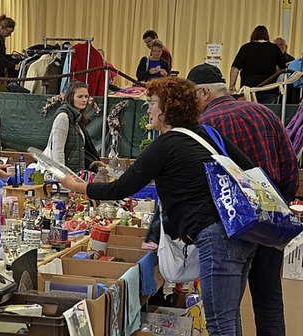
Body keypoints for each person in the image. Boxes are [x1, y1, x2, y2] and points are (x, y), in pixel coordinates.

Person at [59, 76, 256, 336]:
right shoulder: (207, 133)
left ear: (167, 109)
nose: (148, 109)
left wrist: (79, 187)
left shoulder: (166, 144)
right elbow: (250, 170)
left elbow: (121, 188)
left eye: (152, 103)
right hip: (241, 231)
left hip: (216, 237)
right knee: (229, 317)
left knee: (220, 324)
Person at [188, 63, 299, 336]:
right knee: (269, 300)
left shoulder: (204, 126)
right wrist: (280, 208)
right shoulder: (264, 113)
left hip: (228, 226)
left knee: (227, 311)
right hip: (270, 222)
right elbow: (289, 166)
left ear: (203, 92)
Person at [47, 81, 100, 173]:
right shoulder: (63, 117)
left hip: (77, 174)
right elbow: (58, 150)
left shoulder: (77, 119)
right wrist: (62, 176)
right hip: (67, 176)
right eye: (80, 97)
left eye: (86, 96)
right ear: (71, 98)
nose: (84, 100)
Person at [229, 25, 286, 104]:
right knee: (266, 114)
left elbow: (235, 68)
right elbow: (284, 68)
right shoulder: (274, 48)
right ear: (267, 35)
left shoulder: (246, 48)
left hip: (249, 89)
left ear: (253, 35)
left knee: (249, 114)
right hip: (269, 89)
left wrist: (232, 85)